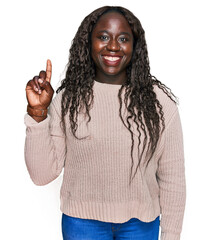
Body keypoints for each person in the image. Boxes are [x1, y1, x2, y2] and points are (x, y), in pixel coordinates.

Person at [24, 6, 186, 240]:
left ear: (135, 46)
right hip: (81, 224)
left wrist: (171, 235)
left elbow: (173, 178)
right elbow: (41, 175)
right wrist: (38, 111)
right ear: (88, 43)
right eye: (102, 37)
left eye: (123, 38)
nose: (112, 46)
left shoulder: (160, 104)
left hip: (140, 226)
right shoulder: (68, 100)